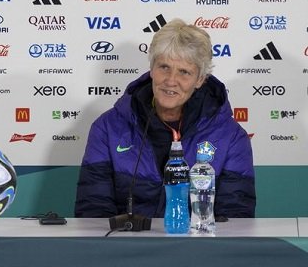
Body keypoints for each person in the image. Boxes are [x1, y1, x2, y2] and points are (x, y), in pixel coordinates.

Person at [75, 18, 256, 219]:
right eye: (164, 67)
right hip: (126, 239)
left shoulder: (231, 137)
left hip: (199, 239)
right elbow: (93, 212)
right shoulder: (107, 128)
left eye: (184, 72)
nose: (171, 80)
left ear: (200, 80)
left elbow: (236, 218)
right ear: (152, 69)